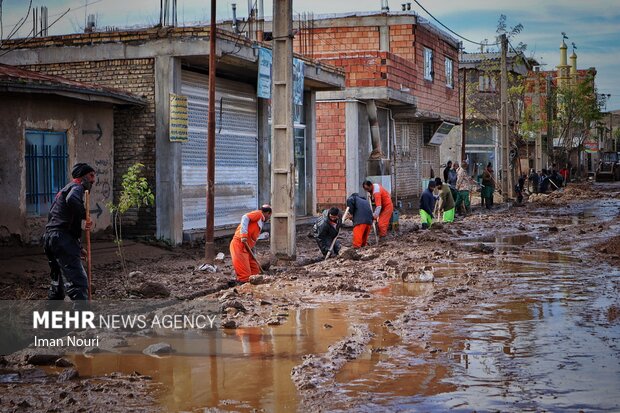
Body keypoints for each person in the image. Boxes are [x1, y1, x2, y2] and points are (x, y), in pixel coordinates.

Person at [44, 163, 96, 300]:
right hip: (61, 239)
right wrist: (86, 216)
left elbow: (59, 220)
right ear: (82, 177)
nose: (93, 180)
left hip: (51, 238)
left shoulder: (64, 189)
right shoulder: (76, 188)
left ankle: (52, 318)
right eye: (91, 175)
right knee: (78, 283)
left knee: (57, 283)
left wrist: (77, 247)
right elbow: (72, 200)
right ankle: (81, 320)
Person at [229, 205, 272, 283]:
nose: (269, 218)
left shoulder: (260, 220)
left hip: (247, 247)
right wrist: (243, 234)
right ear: (268, 213)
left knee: (255, 270)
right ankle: (243, 287)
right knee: (245, 275)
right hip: (239, 244)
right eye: (270, 216)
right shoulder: (258, 214)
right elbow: (245, 217)